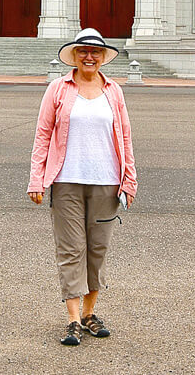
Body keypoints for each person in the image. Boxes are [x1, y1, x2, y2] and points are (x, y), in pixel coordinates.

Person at [28, 27, 137, 346]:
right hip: (66, 182)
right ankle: (73, 319)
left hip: (106, 182)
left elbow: (125, 137)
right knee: (71, 249)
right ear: (74, 56)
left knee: (97, 249)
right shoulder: (58, 89)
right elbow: (42, 135)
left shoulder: (114, 91)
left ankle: (90, 314)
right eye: (83, 51)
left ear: (103, 57)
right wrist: (37, 178)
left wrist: (129, 179)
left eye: (95, 52)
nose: (89, 57)